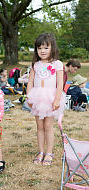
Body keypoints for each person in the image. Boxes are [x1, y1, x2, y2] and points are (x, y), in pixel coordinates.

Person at [27, 33, 66, 166]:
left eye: (45, 48)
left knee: (48, 126)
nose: (42, 51)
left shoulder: (57, 64)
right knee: (39, 126)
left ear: (52, 48)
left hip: (50, 98)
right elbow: (30, 82)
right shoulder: (35, 65)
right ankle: (41, 151)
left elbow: (60, 83)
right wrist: (29, 96)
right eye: (39, 48)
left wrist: (57, 99)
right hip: (37, 98)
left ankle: (49, 152)